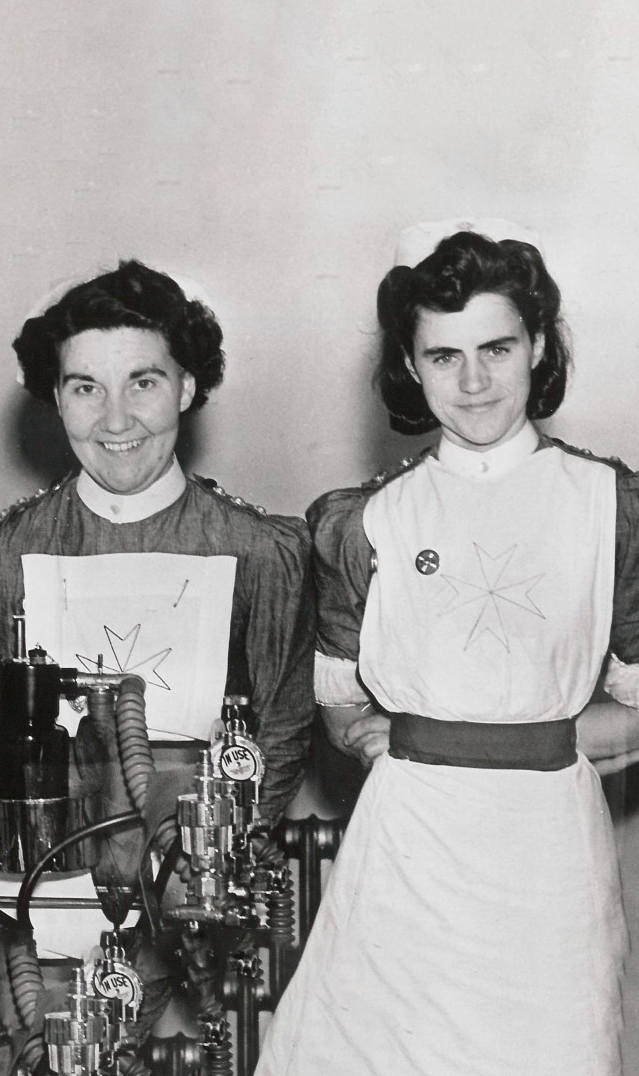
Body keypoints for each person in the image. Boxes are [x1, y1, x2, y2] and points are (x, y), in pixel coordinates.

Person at [257, 226, 636, 1076]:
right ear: (411, 366)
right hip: (405, 853)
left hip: (549, 857)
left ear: (537, 347)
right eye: (443, 357)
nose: (472, 383)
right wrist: (371, 738)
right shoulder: (357, 520)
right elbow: (339, 693)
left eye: (496, 348)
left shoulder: (611, 506)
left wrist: (547, 743)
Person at [0, 261, 313, 981]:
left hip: (200, 896)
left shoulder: (263, 551)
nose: (115, 420)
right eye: (86, 387)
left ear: (186, 386)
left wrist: (208, 867)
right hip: (46, 898)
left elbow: (281, 730)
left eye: (142, 383)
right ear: (55, 398)